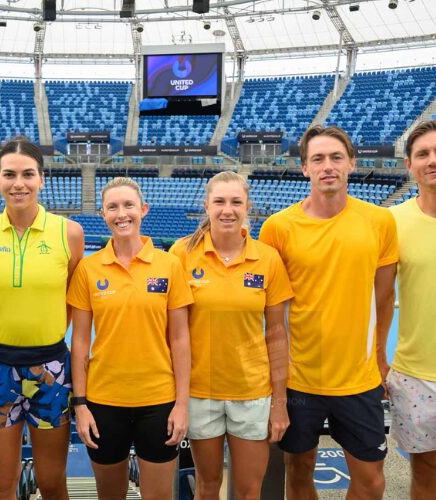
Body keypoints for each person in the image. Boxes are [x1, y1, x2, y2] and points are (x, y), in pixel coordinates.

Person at [259, 125, 398, 500]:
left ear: (352, 163)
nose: (328, 166)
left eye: (336, 157)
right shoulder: (277, 228)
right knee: (299, 472)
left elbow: (384, 297)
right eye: (318, 159)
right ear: (305, 168)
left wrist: (380, 355)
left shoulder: (380, 222)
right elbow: (269, 311)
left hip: (359, 378)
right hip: (298, 379)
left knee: (370, 482)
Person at [0, 137, 84, 500]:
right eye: (9, 174)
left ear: (42, 179)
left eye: (28, 174)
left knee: (51, 483)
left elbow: (72, 302)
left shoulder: (69, 234)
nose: (19, 183)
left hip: (51, 371)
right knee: (3, 484)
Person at [169, 171, 293, 500]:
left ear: (247, 206)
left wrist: (279, 403)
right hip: (199, 393)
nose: (228, 209)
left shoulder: (267, 258)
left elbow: (278, 335)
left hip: (251, 393)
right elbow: (172, 332)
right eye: (219, 201)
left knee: (249, 491)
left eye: (236, 202)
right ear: (206, 206)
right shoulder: (182, 254)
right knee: (207, 487)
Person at [67, 177, 192, 500]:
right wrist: (80, 405)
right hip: (104, 401)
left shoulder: (169, 265)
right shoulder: (88, 269)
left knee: (159, 497)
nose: (121, 214)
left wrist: (181, 404)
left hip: (158, 401)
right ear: (102, 214)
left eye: (128, 205)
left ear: (143, 210)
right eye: (112, 207)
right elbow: (79, 341)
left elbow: (180, 338)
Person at [387, 120, 436, 500]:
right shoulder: (393, 222)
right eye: (423, 153)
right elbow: (380, 296)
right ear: (409, 165)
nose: (432, 160)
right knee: (426, 473)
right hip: (416, 375)